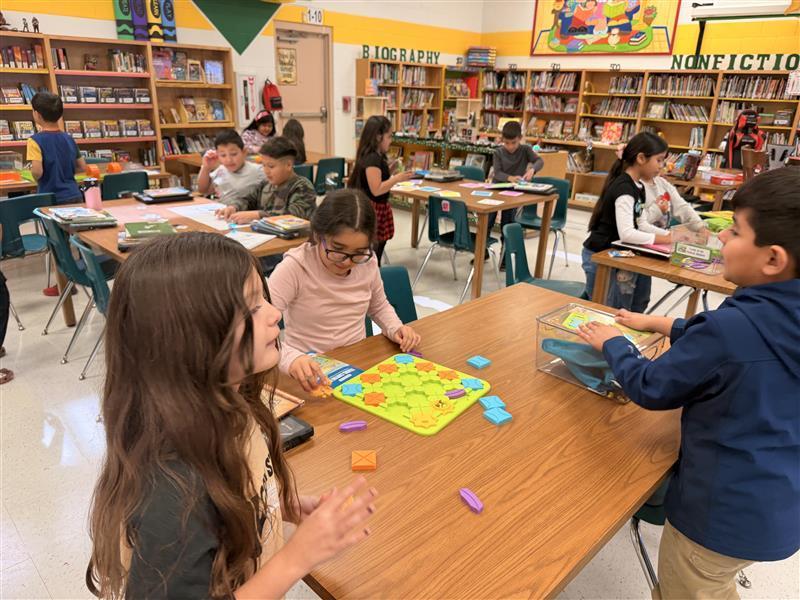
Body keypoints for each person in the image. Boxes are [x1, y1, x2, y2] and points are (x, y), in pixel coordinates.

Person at [86, 232, 378, 597]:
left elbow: (238, 493)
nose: (275, 313)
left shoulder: (234, 404)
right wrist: (297, 557)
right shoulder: (174, 493)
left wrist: (281, 506)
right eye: (253, 306)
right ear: (193, 338)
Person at [577, 167, 800, 600]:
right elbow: (744, 346)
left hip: (715, 516)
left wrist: (615, 342)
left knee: (690, 589)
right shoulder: (767, 321)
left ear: (772, 258)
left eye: (734, 232)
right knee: (713, 586)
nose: (721, 239)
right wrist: (662, 322)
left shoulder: (729, 331)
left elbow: (650, 386)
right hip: (775, 506)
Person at [268, 189, 421, 391]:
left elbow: (379, 306)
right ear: (318, 235)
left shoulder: (367, 262)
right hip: (307, 370)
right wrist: (291, 359)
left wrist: (395, 328)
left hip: (356, 362)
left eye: (358, 253)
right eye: (338, 250)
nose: (347, 262)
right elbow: (257, 330)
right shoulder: (295, 268)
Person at [582, 132, 670, 312]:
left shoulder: (638, 186)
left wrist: (671, 236)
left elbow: (642, 223)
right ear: (641, 158)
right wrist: (667, 239)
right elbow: (627, 233)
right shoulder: (624, 189)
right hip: (603, 258)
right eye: (659, 160)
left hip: (621, 256)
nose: (661, 167)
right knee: (611, 311)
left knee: (636, 305)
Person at [347, 116, 414, 265]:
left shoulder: (375, 157)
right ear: (378, 137)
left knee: (377, 247)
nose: (391, 140)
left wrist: (390, 170)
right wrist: (397, 179)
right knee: (374, 250)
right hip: (373, 208)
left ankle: (374, 273)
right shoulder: (373, 159)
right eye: (389, 136)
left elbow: (376, 179)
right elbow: (376, 189)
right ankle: (373, 275)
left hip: (376, 206)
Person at [215, 136, 315, 224]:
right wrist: (234, 207)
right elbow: (248, 199)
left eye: (271, 166)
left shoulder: (302, 186)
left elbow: (293, 217)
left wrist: (257, 215)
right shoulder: (265, 184)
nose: (266, 171)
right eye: (263, 165)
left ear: (288, 165)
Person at [486, 120, 544, 265]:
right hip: (497, 190)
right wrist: (511, 178)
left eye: (513, 142)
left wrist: (532, 169)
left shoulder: (525, 150)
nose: (510, 146)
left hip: (513, 194)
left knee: (508, 223)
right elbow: (497, 173)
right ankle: (483, 251)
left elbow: (539, 161)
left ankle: (504, 257)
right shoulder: (498, 152)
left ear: (520, 138)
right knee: (487, 221)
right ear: (502, 140)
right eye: (506, 143)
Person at [27, 92, 85, 205]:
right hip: (74, 194)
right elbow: (82, 166)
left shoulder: (34, 141)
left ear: (37, 114)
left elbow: (37, 172)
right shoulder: (69, 138)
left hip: (49, 198)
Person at [197, 129, 265, 206]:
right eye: (223, 155)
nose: (228, 160)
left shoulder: (258, 171)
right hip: (223, 213)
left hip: (245, 214)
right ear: (217, 155)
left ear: (244, 152)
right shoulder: (221, 170)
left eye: (234, 154)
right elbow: (203, 190)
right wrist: (206, 168)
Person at [640, 173, 705, 234]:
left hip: (662, 238)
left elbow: (681, 207)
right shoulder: (634, 187)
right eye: (658, 161)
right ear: (641, 160)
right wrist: (657, 210)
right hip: (643, 240)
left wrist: (700, 226)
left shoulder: (662, 183)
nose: (661, 166)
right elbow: (637, 223)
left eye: (663, 161)